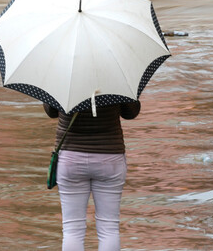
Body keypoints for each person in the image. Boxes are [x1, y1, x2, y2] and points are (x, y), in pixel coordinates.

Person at [44, 100, 141, 251]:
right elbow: (130, 113)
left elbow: (51, 112)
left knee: (72, 230)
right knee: (109, 228)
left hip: (70, 158)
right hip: (110, 157)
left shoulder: (63, 78)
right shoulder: (114, 78)